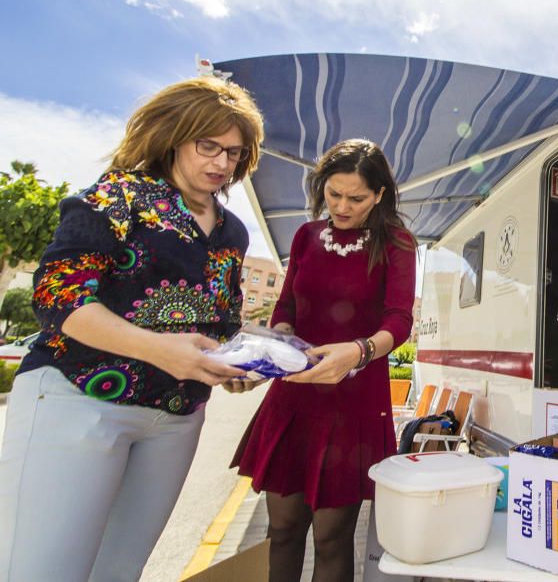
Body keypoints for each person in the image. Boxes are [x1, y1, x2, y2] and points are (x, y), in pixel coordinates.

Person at [0, 77, 265, 581]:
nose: (221, 164)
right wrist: (159, 350)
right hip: (78, 399)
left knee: (119, 573)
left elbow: (222, 322)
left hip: (176, 418)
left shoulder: (233, 231)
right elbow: (60, 298)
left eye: (233, 153)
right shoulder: (116, 196)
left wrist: (237, 363)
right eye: (207, 145)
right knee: (43, 572)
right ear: (172, 135)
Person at [230, 138, 417, 582]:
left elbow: (400, 320)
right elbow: (285, 312)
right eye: (333, 194)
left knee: (332, 538)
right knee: (283, 528)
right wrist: (270, 351)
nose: (342, 206)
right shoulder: (306, 236)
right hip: (293, 398)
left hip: (354, 401)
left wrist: (360, 350)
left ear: (379, 195)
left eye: (356, 198)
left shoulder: (396, 242)